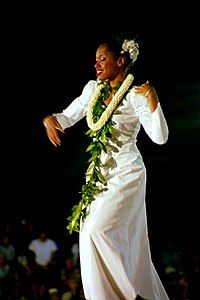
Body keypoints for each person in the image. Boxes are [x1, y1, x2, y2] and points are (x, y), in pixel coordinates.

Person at [43, 32, 170, 299]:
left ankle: (124, 294)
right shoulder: (93, 90)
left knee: (96, 230)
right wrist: (50, 119)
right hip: (100, 178)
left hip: (128, 173)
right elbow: (68, 116)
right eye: (95, 60)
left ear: (121, 61)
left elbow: (160, 137)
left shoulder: (135, 95)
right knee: (87, 237)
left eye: (103, 59)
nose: (97, 64)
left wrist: (152, 98)